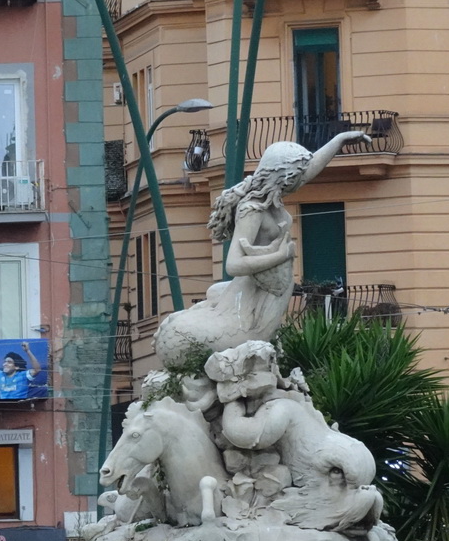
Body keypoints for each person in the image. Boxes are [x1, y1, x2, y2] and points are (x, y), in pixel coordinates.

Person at [153, 129, 370, 367]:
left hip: (268, 294)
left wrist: (338, 140)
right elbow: (233, 264)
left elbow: (307, 170)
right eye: (296, 177)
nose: (301, 181)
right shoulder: (252, 210)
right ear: (284, 178)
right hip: (253, 303)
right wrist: (280, 256)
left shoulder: (273, 201)